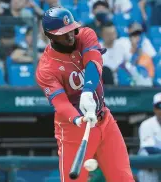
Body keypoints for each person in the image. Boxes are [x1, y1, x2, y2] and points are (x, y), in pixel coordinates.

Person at [36, 7, 135, 182]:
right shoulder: (46, 68)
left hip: (104, 120)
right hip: (73, 128)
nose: (70, 36)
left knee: (124, 178)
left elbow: (93, 63)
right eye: (62, 33)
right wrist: (77, 119)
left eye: (71, 30)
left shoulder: (85, 34)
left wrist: (88, 91)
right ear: (49, 36)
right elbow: (60, 103)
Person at [138, 92, 161, 182]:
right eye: (159, 106)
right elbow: (149, 149)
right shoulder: (147, 124)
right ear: (154, 108)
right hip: (149, 168)